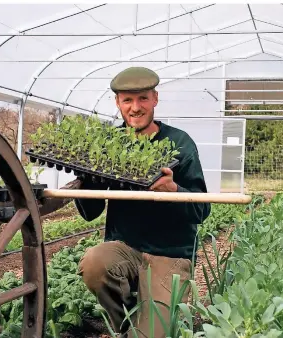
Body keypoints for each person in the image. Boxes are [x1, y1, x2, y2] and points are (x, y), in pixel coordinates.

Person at [75, 67, 211, 337]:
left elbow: (201, 210)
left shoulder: (180, 143)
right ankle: (125, 322)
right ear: (118, 103)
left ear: (155, 99)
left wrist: (174, 190)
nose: (135, 108)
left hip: (170, 255)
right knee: (93, 263)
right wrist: (86, 176)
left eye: (143, 99)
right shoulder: (108, 144)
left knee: (154, 335)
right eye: (127, 100)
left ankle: (145, 324)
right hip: (125, 249)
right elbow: (91, 212)